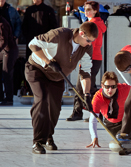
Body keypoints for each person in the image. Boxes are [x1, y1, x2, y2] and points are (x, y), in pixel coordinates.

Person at [25, 21, 98, 154]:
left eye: (91, 41)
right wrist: (49, 62)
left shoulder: (86, 47)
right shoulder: (59, 35)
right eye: (88, 40)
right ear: (81, 34)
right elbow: (33, 44)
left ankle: (48, 136)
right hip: (37, 69)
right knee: (42, 99)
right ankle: (38, 141)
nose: (89, 43)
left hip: (57, 76)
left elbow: (86, 72)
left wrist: (87, 95)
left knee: (55, 107)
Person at [67, 1, 106, 122]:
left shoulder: (93, 24)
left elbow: (93, 44)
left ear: (95, 11)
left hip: (90, 57)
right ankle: (96, 112)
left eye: (89, 9)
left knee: (82, 86)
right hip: (94, 57)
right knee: (90, 86)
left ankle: (81, 112)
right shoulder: (96, 23)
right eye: (85, 9)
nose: (86, 11)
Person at [86, 71, 131, 148]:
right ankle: (127, 134)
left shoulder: (125, 89)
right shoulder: (97, 98)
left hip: (127, 120)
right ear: (102, 86)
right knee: (120, 138)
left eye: (113, 87)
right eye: (107, 87)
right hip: (112, 124)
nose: (110, 90)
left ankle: (127, 133)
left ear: (117, 85)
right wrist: (94, 137)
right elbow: (93, 120)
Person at [0, 14, 18, 106]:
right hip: (2, 50)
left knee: (6, 73)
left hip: (9, 50)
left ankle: (9, 98)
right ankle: (1, 96)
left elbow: (4, 41)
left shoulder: (2, 24)